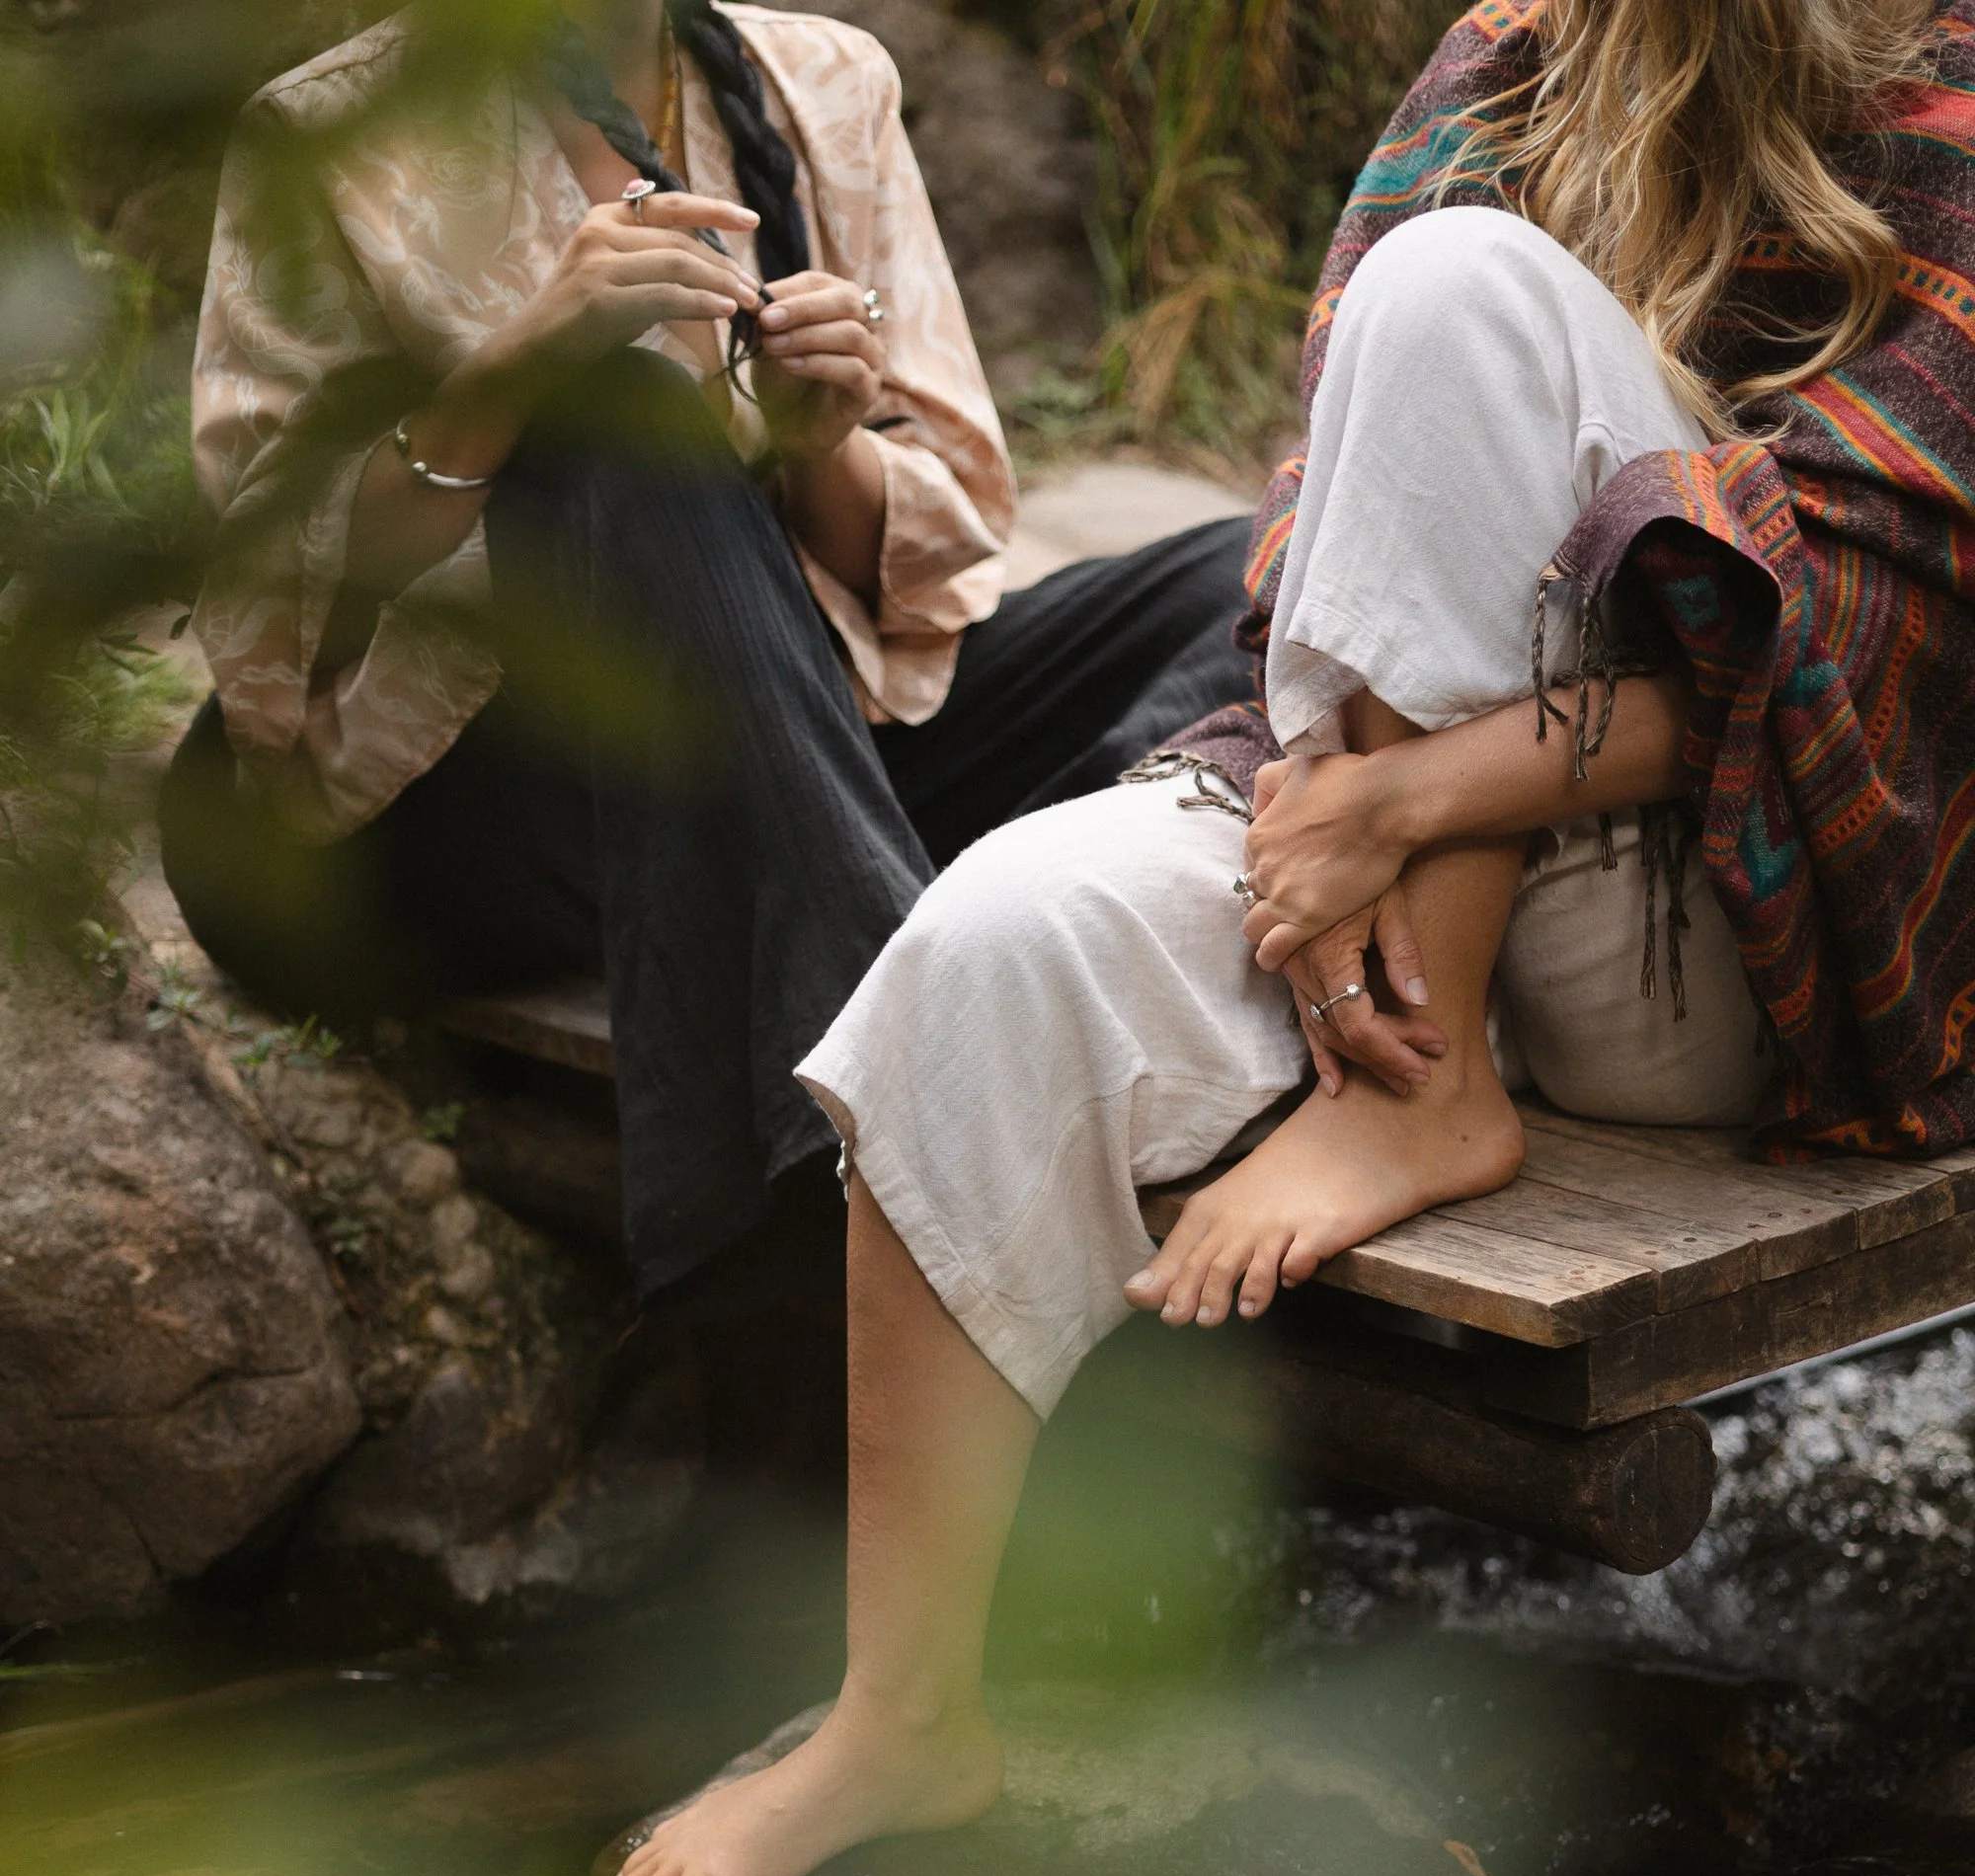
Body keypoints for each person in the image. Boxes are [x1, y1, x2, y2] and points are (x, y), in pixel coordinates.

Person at [599, 0, 1975, 1876]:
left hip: (1750, 937)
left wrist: (1407, 791)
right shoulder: (1517, 51)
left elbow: (1895, 666)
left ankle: (1417, 1098)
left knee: (1463, 289)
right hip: (1403, 848)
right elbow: (1328, 520)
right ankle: (904, 1715)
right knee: (993, 942)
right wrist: (1346, 811)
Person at [160, 0, 1254, 1293]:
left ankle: (1036, 908)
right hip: (430, 811)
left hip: (775, 745)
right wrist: (510, 381)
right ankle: (903, 1087)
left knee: (1243, 575)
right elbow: (272, 593)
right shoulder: (330, 131)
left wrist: (817, 438)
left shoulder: (822, 84)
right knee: (620, 414)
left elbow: (929, 568)